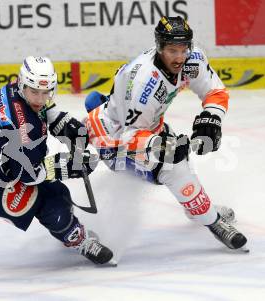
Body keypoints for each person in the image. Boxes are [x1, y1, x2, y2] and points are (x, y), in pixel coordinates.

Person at [84, 16, 247, 250]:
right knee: (173, 167)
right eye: (172, 50)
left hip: (147, 125)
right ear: (159, 47)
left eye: (183, 49)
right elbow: (130, 138)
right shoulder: (144, 84)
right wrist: (165, 148)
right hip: (112, 138)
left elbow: (215, 91)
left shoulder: (192, 59)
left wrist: (212, 118)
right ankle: (214, 222)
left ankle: (198, 208)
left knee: (180, 161)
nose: (180, 57)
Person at [0, 56, 114, 264]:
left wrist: (67, 126)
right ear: (23, 84)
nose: (39, 99)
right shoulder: (22, 129)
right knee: (47, 204)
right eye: (34, 92)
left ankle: (66, 227)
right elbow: (29, 175)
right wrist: (70, 166)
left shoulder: (16, 90)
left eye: (45, 92)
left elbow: (45, 111)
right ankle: (78, 239)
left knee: (57, 193)